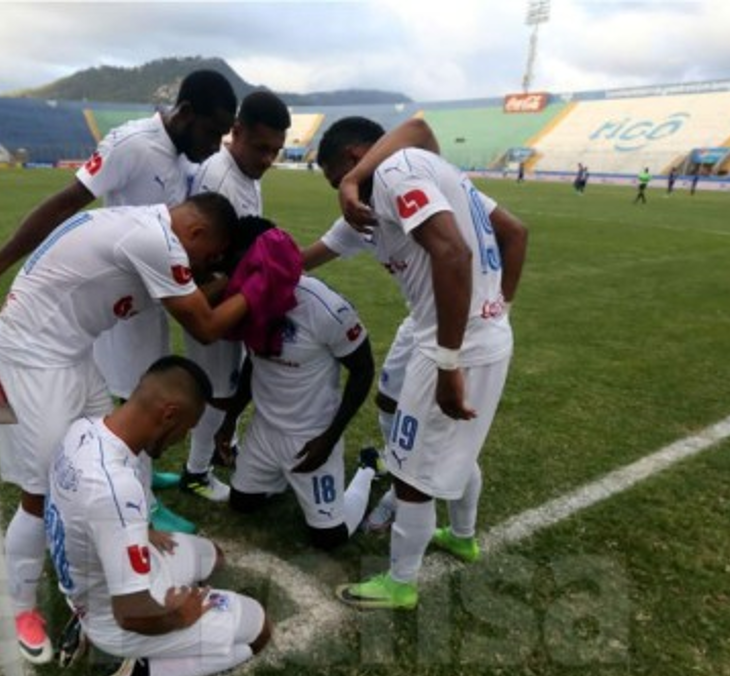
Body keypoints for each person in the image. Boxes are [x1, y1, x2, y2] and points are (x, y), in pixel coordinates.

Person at [0, 192, 256, 663]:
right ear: (195, 233)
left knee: (115, 441)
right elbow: (205, 324)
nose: (200, 267)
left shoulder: (146, 226)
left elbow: (189, 298)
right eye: (207, 256)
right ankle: (18, 609)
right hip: (32, 359)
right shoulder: (156, 240)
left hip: (68, 351)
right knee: (43, 491)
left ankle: (131, 528)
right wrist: (257, 285)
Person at [0, 69, 238, 534]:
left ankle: (133, 491)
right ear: (186, 114)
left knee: (119, 418)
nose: (215, 147)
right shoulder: (133, 144)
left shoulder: (184, 161)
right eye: (213, 133)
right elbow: (66, 203)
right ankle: (138, 506)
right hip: (99, 309)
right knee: (134, 406)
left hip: (130, 299)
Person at [316, 117, 528, 609]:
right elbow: (515, 233)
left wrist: (451, 359)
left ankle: (400, 582)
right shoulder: (427, 166)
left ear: (353, 158)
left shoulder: (393, 174)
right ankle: (462, 536)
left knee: (410, 469)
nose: (344, 199)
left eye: (338, 182)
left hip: (451, 345)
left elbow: (452, 255)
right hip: (476, 334)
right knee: (449, 448)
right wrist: (496, 310)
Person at [46, 356, 272, 676]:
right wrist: (179, 615)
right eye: (187, 427)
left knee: (211, 556)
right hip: (119, 619)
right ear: (169, 415)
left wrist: (136, 531)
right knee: (258, 631)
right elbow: (132, 615)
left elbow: (87, 513)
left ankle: (92, 621)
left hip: (96, 579)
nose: (183, 439)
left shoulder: (84, 429)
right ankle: (134, 671)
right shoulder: (115, 489)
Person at [176, 90, 291, 504]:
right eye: (260, 148)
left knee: (232, 380)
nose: (267, 159)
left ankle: (223, 447)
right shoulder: (221, 179)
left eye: (275, 151)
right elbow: (206, 260)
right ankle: (196, 471)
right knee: (218, 390)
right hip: (212, 297)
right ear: (235, 133)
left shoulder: (244, 173)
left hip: (229, 292)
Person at [218, 270, 378, 550]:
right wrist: (230, 418)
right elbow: (253, 360)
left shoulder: (323, 306)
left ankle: (367, 468)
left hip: (311, 436)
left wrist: (328, 439)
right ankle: (281, 474)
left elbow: (363, 370)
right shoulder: (246, 298)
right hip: (265, 431)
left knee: (329, 538)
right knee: (242, 503)